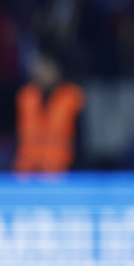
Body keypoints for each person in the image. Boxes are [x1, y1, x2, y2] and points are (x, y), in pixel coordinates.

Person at [13, 46, 85, 174]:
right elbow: (16, 136)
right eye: (38, 66)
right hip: (27, 173)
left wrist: (77, 170)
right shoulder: (25, 96)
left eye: (45, 66)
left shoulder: (72, 96)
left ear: (56, 69)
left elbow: (81, 139)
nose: (40, 72)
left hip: (61, 172)